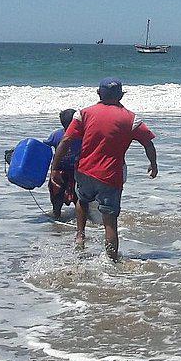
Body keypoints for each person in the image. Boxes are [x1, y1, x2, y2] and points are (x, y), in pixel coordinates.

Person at [48, 78, 158, 260]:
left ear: (98, 93)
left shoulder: (83, 114)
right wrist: (153, 165)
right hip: (111, 176)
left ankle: (80, 236)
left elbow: (66, 141)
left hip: (84, 171)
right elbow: (148, 144)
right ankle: (111, 259)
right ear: (121, 96)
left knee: (82, 201)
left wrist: (54, 168)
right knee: (110, 220)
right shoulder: (132, 118)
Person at [42, 108, 80, 219]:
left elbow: (44, 147)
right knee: (78, 197)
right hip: (76, 170)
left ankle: (56, 215)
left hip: (58, 169)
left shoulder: (56, 135)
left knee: (56, 195)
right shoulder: (82, 135)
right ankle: (81, 218)